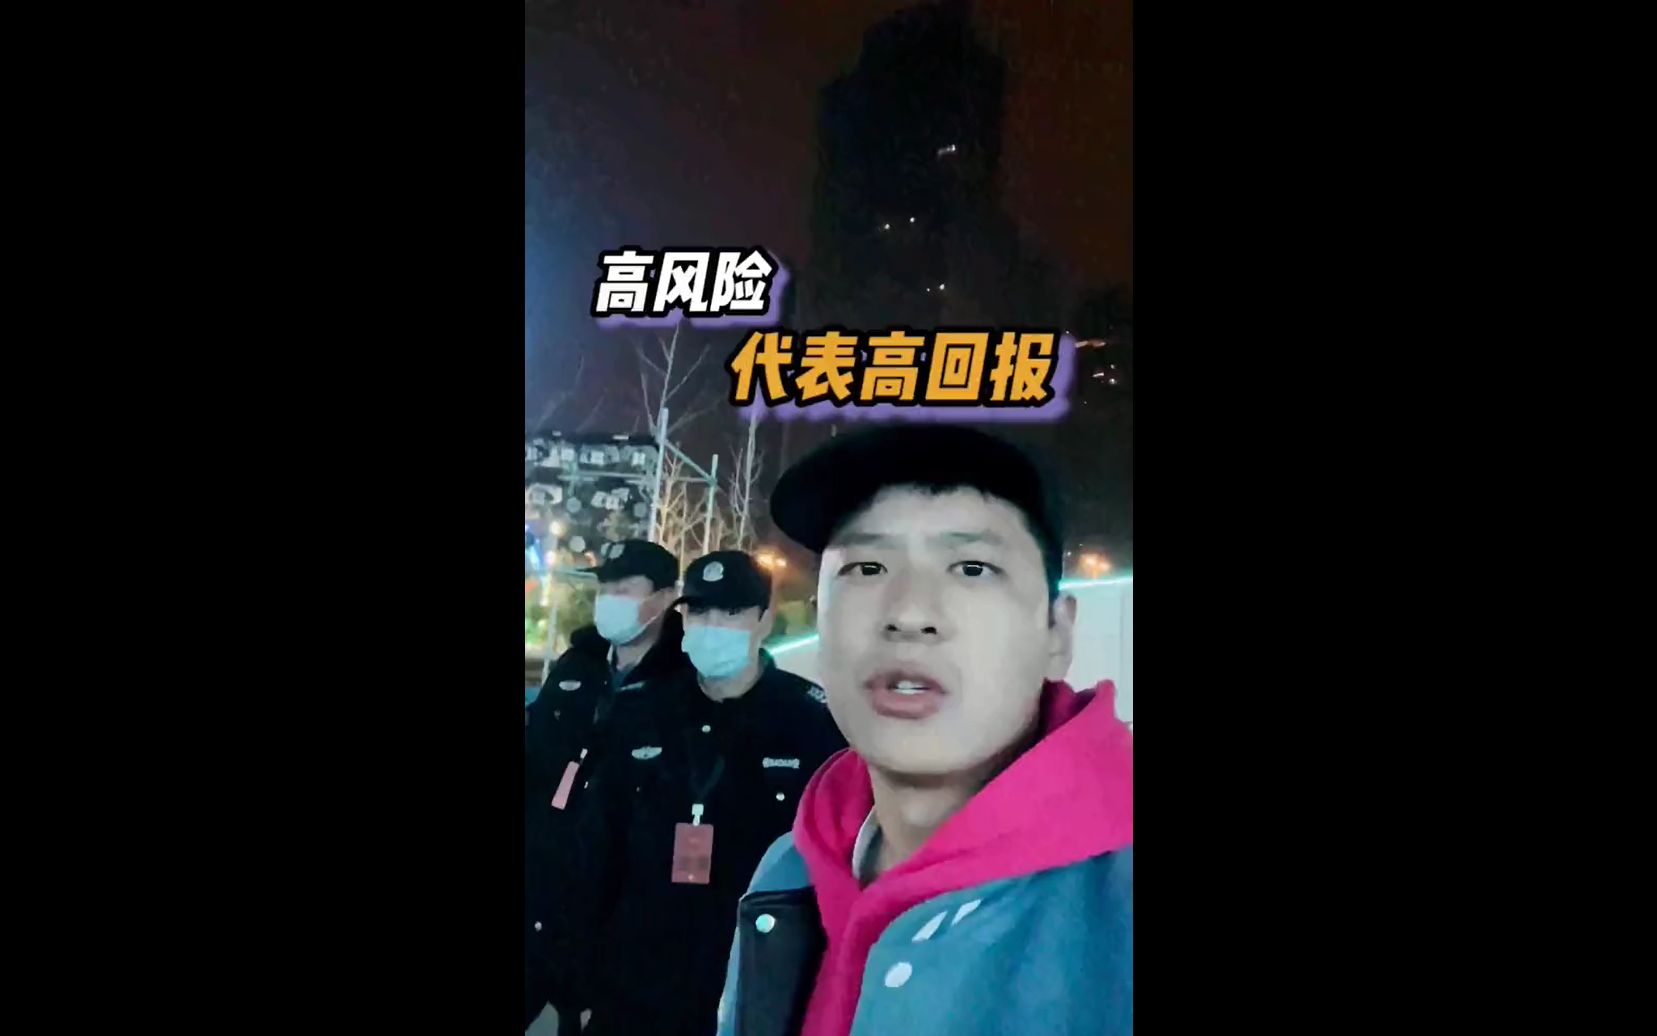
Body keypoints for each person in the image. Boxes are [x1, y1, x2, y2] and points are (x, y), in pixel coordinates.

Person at [715, 424, 1133, 1036]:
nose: (909, 614)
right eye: (867, 567)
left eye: (972, 567)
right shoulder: (788, 873)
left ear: (1056, 634)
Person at [560, 550, 846, 1036]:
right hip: (633, 987)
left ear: (764, 620)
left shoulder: (811, 724)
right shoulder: (639, 713)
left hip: (750, 989)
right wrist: (579, 982)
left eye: (731, 612)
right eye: (699, 611)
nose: (712, 626)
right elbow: (595, 853)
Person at [526, 539, 691, 1033]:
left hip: (619, 911)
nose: (610, 599)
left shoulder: (685, 680)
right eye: (605, 587)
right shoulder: (578, 665)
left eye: (625, 588)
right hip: (541, 889)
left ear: (665, 597)